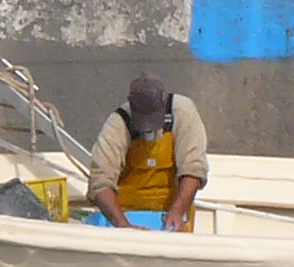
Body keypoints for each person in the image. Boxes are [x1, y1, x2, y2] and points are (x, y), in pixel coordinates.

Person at [84, 71, 211, 232]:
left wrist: (177, 212)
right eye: (142, 117)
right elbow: (100, 182)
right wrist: (124, 227)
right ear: (130, 103)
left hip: (171, 216)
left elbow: (194, 168)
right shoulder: (118, 123)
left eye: (153, 117)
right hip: (125, 215)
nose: (148, 125)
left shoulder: (183, 112)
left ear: (164, 100)